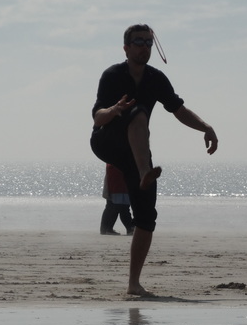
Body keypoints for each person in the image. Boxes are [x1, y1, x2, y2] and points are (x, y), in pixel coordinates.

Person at [90, 23, 218, 296]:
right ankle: (145, 171)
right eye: (138, 42)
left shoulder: (156, 78)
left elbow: (178, 110)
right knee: (137, 113)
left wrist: (206, 127)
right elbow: (97, 118)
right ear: (126, 47)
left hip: (135, 153)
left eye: (149, 42)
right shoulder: (112, 75)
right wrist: (114, 109)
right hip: (107, 140)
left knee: (146, 217)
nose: (144, 47)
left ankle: (133, 284)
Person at [100, 164, 134, 235]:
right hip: (119, 184)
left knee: (114, 207)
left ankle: (105, 229)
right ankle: (129, 228)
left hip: (117, 183)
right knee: (121, 207)